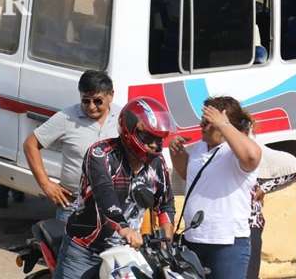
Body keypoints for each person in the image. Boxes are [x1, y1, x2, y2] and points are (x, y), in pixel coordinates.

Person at [54, 97, 176, 279]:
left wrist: (167, 237)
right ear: (129, 132)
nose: (154, 145)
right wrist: (124, 228)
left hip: (126, 250)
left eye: (158, 140)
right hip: (85, 249)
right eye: (148, 138)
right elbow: (104, 194)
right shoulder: (100, 154)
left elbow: (165, 204)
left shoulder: (157, 163)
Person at [168, 96, 262, 279]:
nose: (202, 126)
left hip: (227, 244)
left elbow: (252, 157)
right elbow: (190, 177)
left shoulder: (236, 150)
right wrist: (177, 155)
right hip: (193, 239)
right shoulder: (199, 148)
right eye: (202, 122)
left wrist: (224, 125)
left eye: (209, 122)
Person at [23, 70, 122, 221]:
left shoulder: (123, 117)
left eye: (97, 101)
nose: (91, 107)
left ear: (111, 95)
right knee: (68, 245)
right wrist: (45, 184)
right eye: (85, 101)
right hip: (73, 206)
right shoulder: (66, 118)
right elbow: (30, 144)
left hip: (114, 206)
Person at [247, 146, 296, 279]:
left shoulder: (253, 148)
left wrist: (264, 188)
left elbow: (293, 168)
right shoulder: (215, 152)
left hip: (249, 227)